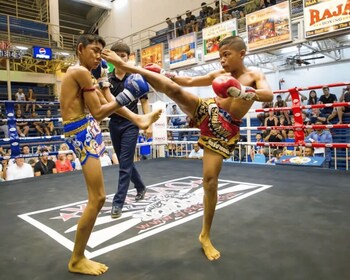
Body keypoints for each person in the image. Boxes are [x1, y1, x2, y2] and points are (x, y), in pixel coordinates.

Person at [102, 35, 273, 261]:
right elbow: (188, 82)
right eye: (220, 55)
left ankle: (205, 235)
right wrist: (167, 75)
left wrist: (241, 92)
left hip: (224, 129)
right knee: (174, 90)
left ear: (241, 54)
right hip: (207, 111)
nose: (222, 60)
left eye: (227, 55)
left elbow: (268, 96)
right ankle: (131, 68)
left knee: (210, 183)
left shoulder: (254, 76)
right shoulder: (218, 75)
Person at [59, 34, 161, 276]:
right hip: (81, 130)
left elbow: (108, 101)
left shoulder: (89, 73)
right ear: (80, 48)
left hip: (86, 129)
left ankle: (78, 256)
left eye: (100, 52)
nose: (97, 56)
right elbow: (98, 112)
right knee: (97, 198)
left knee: (99, 197)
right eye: (94, 50)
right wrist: (129, 95)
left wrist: (136, 116)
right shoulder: (80, 72)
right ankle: (77, 258)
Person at [107, 41, 152, 220]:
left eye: (123, 56)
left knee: (124, 164)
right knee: (124, 163)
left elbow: (144, 102)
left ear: (128, 57)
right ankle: (140, 187)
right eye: (116, 56)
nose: (119, 59)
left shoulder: (136, 77)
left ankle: (118, 203)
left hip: (131, 125)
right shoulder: (107, 79)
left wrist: (147, 123)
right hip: (114, 124)